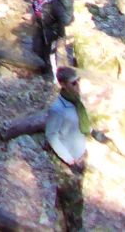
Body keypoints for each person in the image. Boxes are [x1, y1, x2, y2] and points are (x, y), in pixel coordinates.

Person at [45, 66, 89, 231]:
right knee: (73, 205)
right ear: (63, 84)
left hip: (80, 157)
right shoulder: (58, 109)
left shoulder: (75, 102)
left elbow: (80, 125)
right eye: (73, 83)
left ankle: (63, 225)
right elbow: (52, 136)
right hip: (68, 162)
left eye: (79, 81)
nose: (78, 85)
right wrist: (70, 160)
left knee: (71, 200)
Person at [28, 0, 68, 79]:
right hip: (41, 28)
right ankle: (44, 66)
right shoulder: (36, 1)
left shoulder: (54, 4)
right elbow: (36, 11)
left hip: (52, 32)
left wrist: (61, 35)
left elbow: (62, 19)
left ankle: (51, 74)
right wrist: (33, 18)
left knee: (50, 54)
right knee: (37, 49)